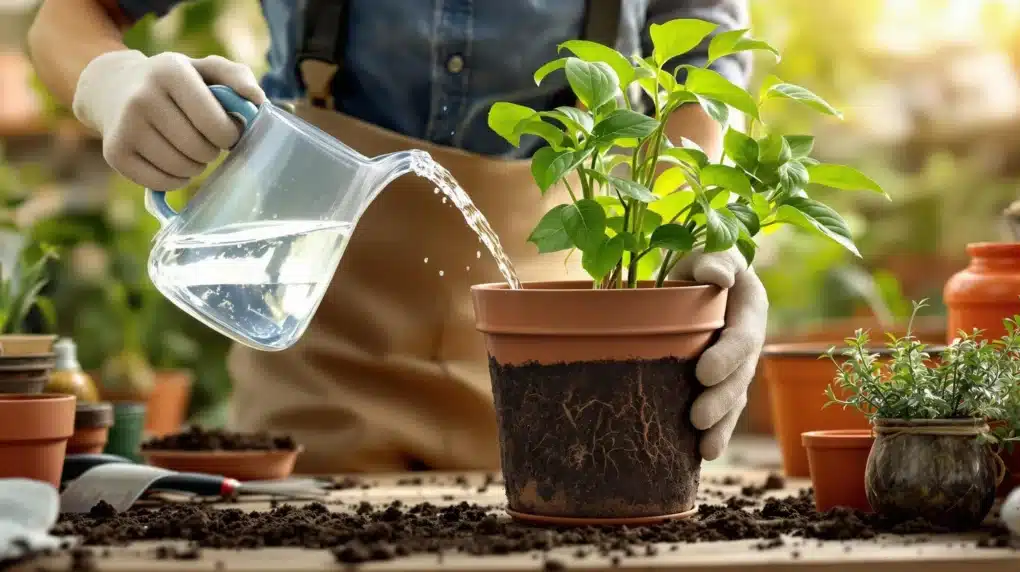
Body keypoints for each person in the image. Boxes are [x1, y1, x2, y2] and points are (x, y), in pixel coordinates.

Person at [28, 0, 768, 474]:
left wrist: (691, 233)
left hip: (560, 384)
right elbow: (69, 15)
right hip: (318, 357)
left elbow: (704, 65)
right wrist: (113, 80)